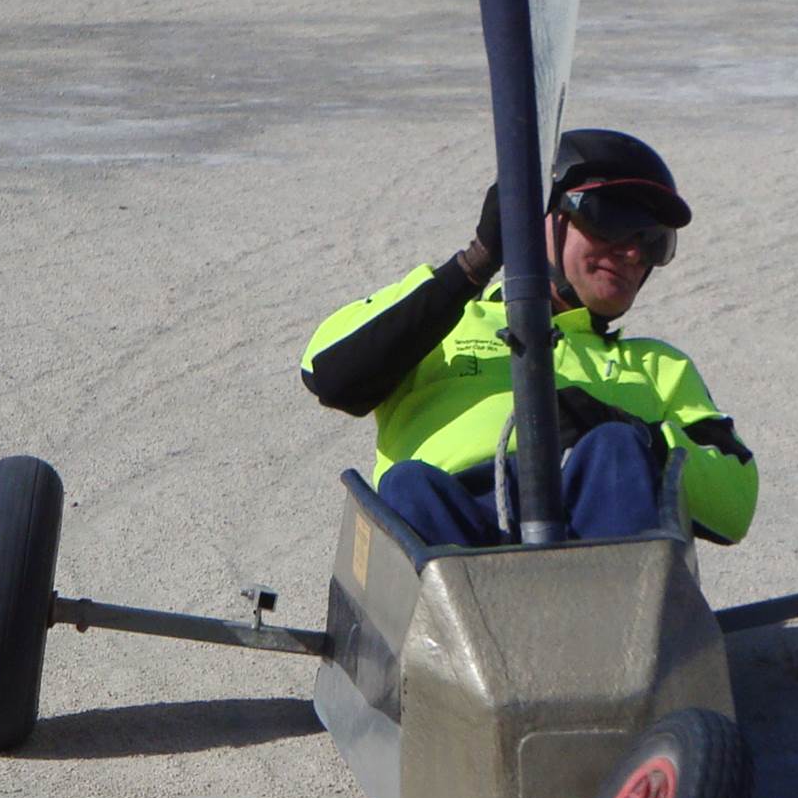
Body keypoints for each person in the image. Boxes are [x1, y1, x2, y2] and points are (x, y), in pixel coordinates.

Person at [301, 129, 757, 549]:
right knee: (409, 484)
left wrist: (632, 430)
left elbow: (734, 502)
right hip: (453, 525)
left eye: (655, 240)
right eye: (611, 218)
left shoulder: (658, 367)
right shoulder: (443, 316)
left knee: (615, 448)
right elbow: (329, 374)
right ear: (542, 217)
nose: (634, 252)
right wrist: (473, 266)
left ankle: (611, 605)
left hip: (593, 529)